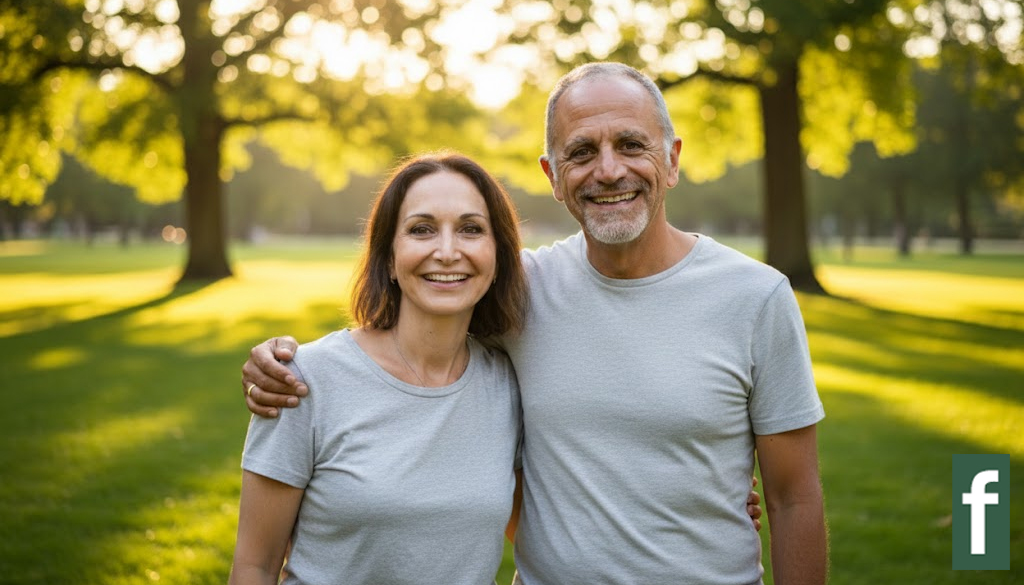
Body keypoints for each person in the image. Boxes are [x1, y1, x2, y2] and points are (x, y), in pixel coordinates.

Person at [242, 62, 825, 585]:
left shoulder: (756, 297)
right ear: (552, 174)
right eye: (581, 152)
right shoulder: (518, 291)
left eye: (630, 144)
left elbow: (793, 497)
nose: (608, 170)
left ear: (671, 158)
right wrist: (278, 362)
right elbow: (403, 337)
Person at [229, 152, 530, 585]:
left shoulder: (508, 386)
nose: (447, 252)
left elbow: (539, 540)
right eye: (421, 229)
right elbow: (254, 566)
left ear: (498, 253)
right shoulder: (301, 381)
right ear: (388, 257)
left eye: (470, 229)